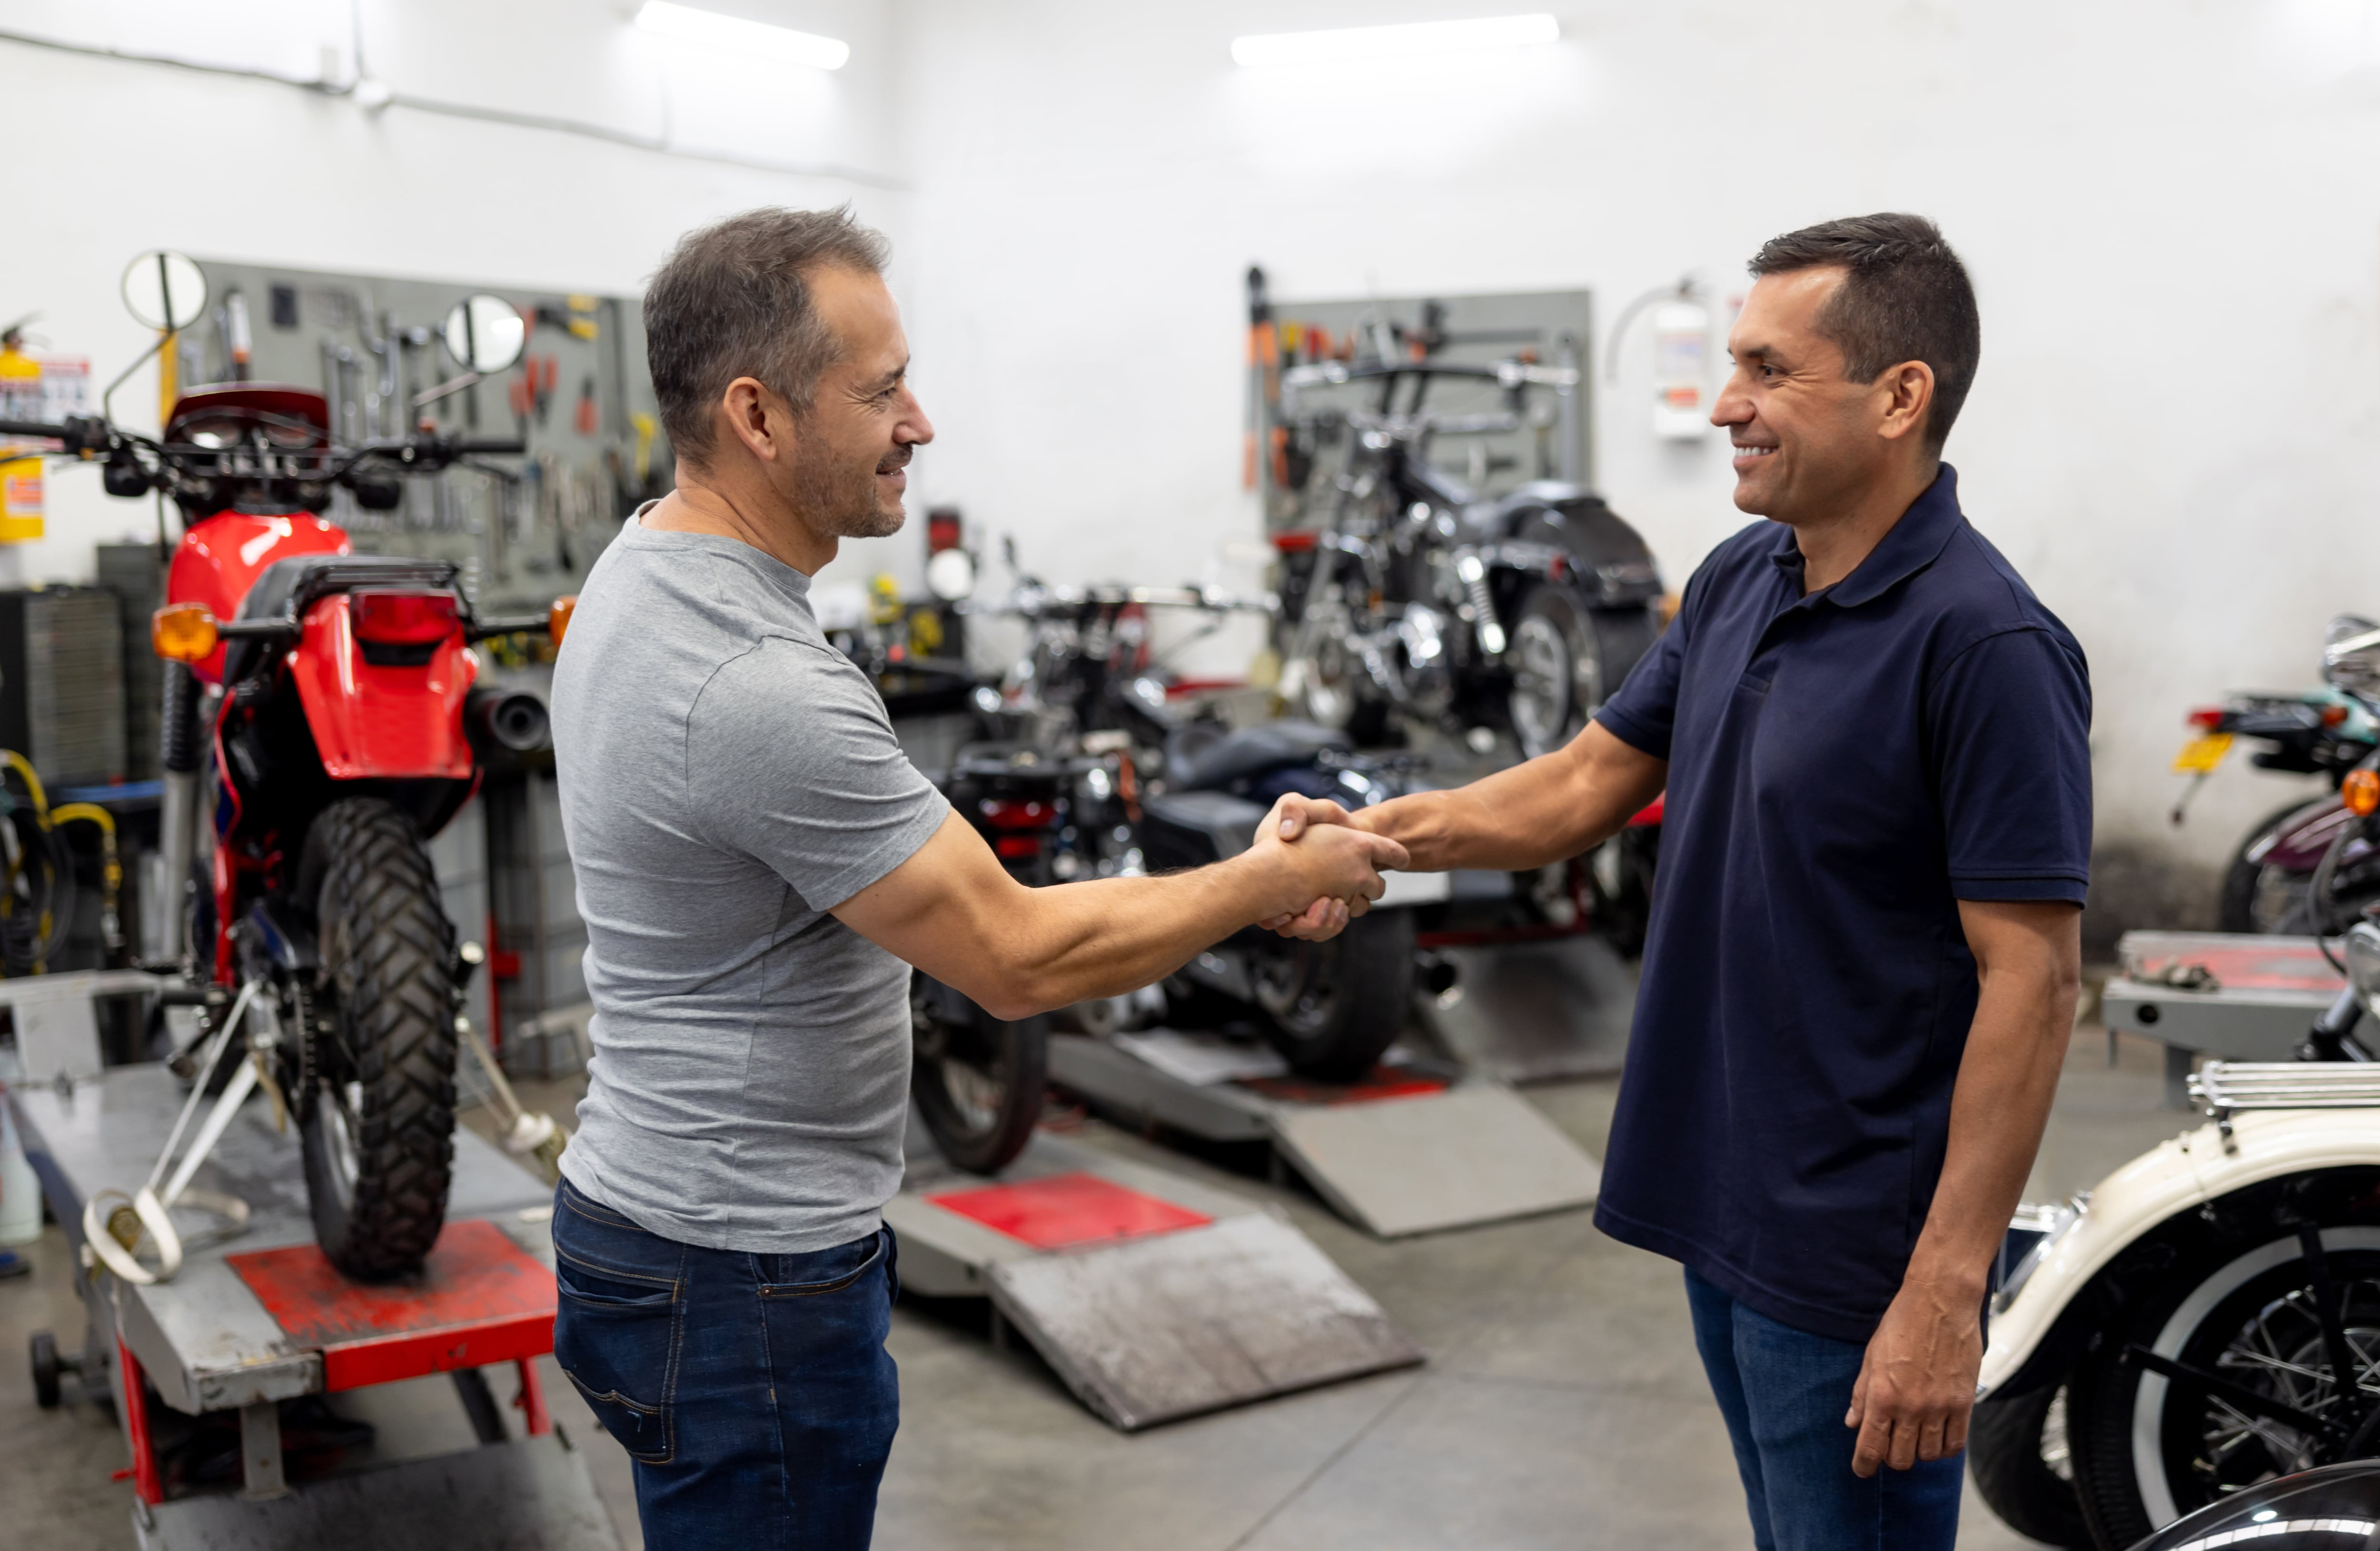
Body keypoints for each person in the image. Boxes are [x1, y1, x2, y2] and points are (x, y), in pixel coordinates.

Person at [545, 207, 1404, 1550]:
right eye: (881, 391)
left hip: (671, 1226)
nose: (920, 422)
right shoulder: (752, 686)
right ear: (758, 415)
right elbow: (1012, 953)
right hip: (740, 1276)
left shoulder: (645, 567)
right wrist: (1260, 880)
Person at [1277, 213, 2089, 1551]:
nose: (1726, 404)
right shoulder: (1738, 580)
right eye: (1732, 364)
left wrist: (1945, 1289)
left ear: (1901, 396)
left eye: (1769, 370)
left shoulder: (1986, 642)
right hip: (1723, 1189)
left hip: (1853, 1241)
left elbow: (2037, 980)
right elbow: (1578, 786)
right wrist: (1371, 837)